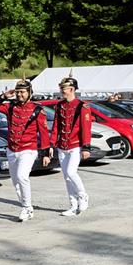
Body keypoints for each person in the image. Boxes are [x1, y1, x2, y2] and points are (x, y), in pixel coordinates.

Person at [0, 77, 51, 222]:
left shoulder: (37, 109)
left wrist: (46, 153)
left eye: (22, 92)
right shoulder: (10, 107)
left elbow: (43, 132)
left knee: (22, 177)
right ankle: (25, 206)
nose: (19, 95)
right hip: (12, 149)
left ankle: (27, 207)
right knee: (16, 182)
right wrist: (4, 96)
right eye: (17, 92)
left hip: (28, 149)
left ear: (29, 92)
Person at [50, 71, 92, 216]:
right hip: (62, 145)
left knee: (71, 172)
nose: (62, 91)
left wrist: (86, 146)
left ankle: (83, 195)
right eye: (61, 88)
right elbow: (56, 126)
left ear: (72, 89)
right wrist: (52, 144)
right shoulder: (59, 105)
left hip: (75, 145)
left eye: (65, 88)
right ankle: (73, 205)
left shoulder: (82, 106)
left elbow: (86, 128)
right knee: (66, 177)